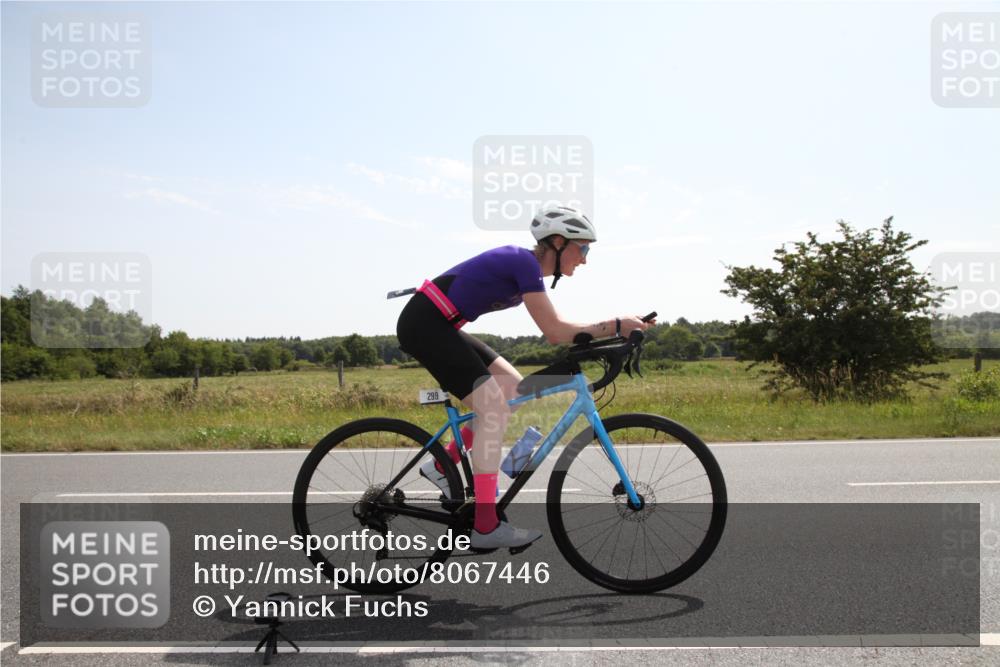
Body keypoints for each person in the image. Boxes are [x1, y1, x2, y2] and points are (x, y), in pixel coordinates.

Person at [395, 206, 654, 550]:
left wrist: (612, 335)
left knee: (514, 389)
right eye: (584, 249)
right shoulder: (523, 263)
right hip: (425, 325)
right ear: (560, 242)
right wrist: (616, 325)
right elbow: (555, 331)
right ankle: (484, 526)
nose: (585, 259)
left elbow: (563, 331)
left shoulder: (528, 270)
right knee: (495, 411)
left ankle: (444, 466)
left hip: (441, 324)